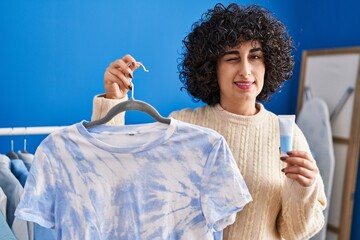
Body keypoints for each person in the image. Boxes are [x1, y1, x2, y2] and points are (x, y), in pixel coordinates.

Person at [91, 3, 327, 240]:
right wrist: (114, 100)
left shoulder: (288, 134)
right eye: (232, 58)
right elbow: (117, 177)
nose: (246, 70)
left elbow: (295, 232)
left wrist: (303, 189)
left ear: (268, 64)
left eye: (255, 57)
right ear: (212, 67)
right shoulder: (181, 125)